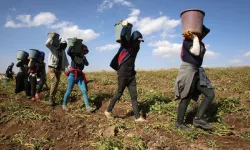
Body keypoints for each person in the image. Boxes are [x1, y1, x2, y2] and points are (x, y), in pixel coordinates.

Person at [174, 25, 215, 130]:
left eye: (204, 33)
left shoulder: (200, 44)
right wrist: (195, 38)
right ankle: (179, 123)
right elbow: (195, 52)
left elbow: (199, 52)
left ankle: (198, 119)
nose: (204, 35)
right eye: (202, 33)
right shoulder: (187, 41)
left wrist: (196, 40)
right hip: (188, 71)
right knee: (186, 97)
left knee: (210, 94)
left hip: (197, 71)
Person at [105, 20, 146, 122]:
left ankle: (137, 117)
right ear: (134, 39)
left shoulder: (136, 49)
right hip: (123, 74)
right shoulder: (126, 46)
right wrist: (124, 26)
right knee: (119, 93)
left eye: (140, 41)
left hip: (131, 75)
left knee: (134, 96)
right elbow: (123, 36)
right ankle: (108, 111)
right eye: (138, 40)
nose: (139, 42)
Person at [63, 43, 95, 112]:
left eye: (85, 52)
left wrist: (84, 58)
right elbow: (68, 52)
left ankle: (87, 107)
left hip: (80, 76)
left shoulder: (83, 57)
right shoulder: (74, 55)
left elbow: (87, 64)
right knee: (69, 90)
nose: (84, 53)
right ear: (80, 50)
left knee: (84, 91)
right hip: (72, 75)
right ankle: (64, 105)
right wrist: (72, 44)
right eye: (83, 51)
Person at [46, 33, 69, 106]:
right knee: (54, 81)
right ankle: (50, 98)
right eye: (63, 44)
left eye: (65, 45)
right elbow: (47, 44)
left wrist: (68, 67)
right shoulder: (53, 47)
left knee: (56, 84)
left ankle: (52, 97)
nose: (64, 46)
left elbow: (65, 59)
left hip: (59, 69)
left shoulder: (63, 51)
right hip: (52, 67)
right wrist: (51, 37)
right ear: (59, 43)